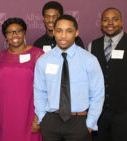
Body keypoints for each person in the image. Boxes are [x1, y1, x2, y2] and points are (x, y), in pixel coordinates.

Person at [34, 15, 104, 141]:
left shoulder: (89, 60)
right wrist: (42, 117)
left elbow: (97, 94)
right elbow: (39, 91)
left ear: (76, 33)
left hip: (79, 123)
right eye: (59, 30)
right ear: (54, 32)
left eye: (69, 31)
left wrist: (90, 122)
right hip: (51, 122)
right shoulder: (43, 60)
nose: (63, 35)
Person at [0, 17, 43, 141]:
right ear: (5, 36)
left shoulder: (37, 54)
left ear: (24, 32)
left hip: (29, 115)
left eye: (18, 31)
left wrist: (38, 117)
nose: (14, 35)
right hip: (6, 116)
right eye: (10, 32)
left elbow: (45, 88)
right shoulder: (2, 56)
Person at [88, 8, 127, 141]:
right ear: (101, 24)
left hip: (123, 112)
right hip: (99, 113)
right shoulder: (92, 45)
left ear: (121, 22)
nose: (110, 23)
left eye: (115, 19)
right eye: (105, 19)